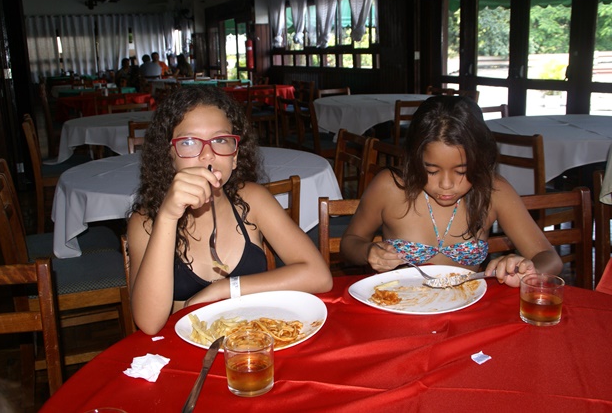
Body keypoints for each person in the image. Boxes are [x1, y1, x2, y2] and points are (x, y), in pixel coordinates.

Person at [127, 86, 333, 335]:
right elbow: (149, 323)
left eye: (220, 140)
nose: (207, 155)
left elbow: (319, 276)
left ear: (234, 157)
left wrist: (224, 289)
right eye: (189, 142)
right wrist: (168, 217)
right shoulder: (146, 221)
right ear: (169, 156)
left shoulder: (253, 200)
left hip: (254, 340)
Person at [340, 95, 562, 288]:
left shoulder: (494, 191)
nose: (446, 184)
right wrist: (368, 251)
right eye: (431, 170)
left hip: (467, 307)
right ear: (415, 159)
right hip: (399, 304)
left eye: (462, 171)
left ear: (480, 161)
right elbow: (349, 243)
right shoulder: (390, 187)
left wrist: (527, 269)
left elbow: (549, 258)